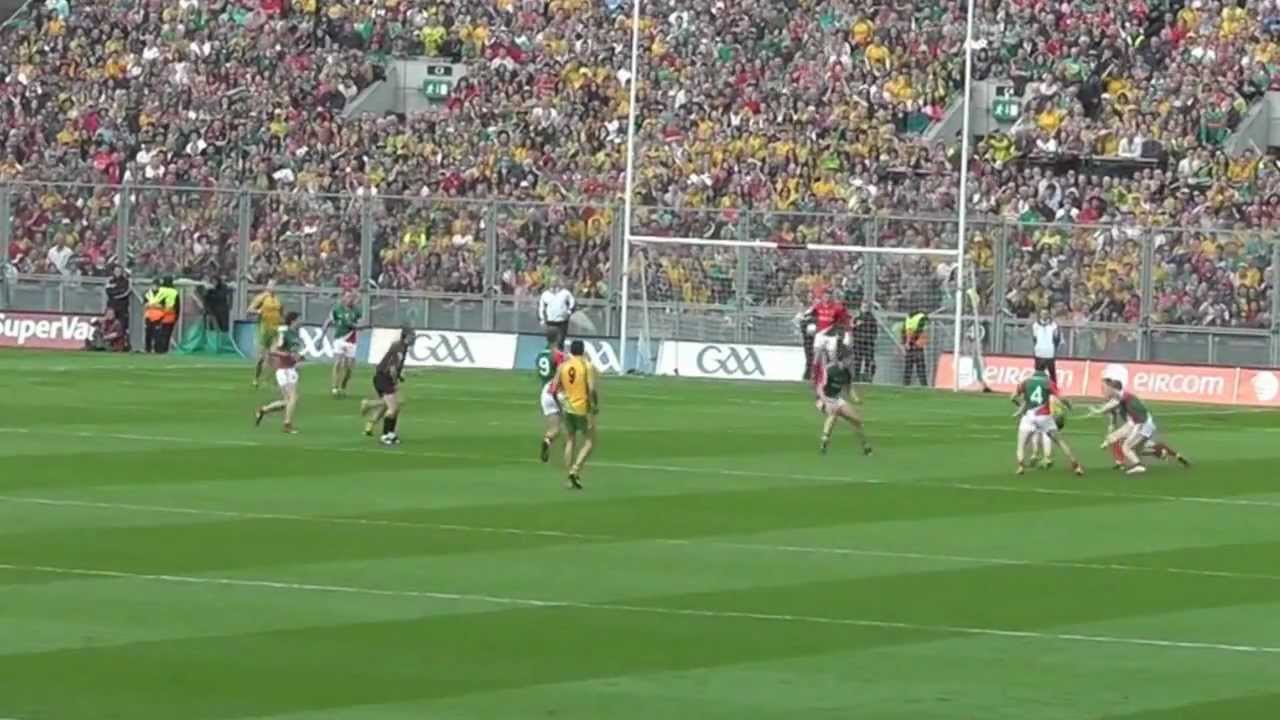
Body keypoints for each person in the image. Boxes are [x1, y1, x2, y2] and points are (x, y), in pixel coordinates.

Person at [1092, 378, 1190, 474]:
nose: (1104, 391)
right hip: (1139, 424)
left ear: (1113, 389)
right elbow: (1112, 410)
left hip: (1140, 424)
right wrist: (1101, 411)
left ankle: (1137, 465)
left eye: (1106, 388)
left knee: (1126, 447)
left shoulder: (1123, 396)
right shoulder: (1119, 398)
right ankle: (1159, 452)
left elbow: (1114, 403)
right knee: (1137, 450)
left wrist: (1100, 410)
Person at [1011, 368, 1084, 476]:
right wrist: (1068, 405)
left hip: (1029, 417)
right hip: (1044, 417)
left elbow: (1012, 397)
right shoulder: (1048, 382)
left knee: (1021, 444)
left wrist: (1021, 407)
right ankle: (1076, 465)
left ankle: (1021, 466)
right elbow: (1061, 397)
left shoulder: (1026, 382)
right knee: (1060, 441)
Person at [556, 339, 598, 490]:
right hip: (582, 407)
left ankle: (569, 477)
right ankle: (575, 470)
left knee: (570, 439)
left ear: (571, 351)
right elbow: (591, 389)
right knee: (589, 441)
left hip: (567, 406)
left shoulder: (563, 366)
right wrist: (595, 405)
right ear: (583, 351)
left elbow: (556, 387)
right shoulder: (587, 365)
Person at [361, 326, 414, 445]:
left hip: (384, 378)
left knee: (395, 407)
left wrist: (399, 376)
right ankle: (385, 435)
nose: (413, 338)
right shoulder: (399, 348)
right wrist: (395, 381)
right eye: (411, 336)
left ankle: (391, 433)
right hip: (384, 378)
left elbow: (396, 367)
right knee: (393, 408)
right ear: (405, 337)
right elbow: (392, 368)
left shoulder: (403, 347)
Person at [818, 343, 872, 456]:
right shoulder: (830, 369)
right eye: (850, 359)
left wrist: (856, 399)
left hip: (837, 399)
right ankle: (824, 440)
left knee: (856, 420)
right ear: (843, 358)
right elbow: (819, 388)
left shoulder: (847, 373)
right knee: (833, 414)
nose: (852, 361)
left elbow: (849, 388)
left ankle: (866, 447)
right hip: (823, 399)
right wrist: (825, 401)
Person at [255, 311, 303, 434]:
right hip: (284, 369)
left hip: (290, 369)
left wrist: (298, 357)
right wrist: (286, 355)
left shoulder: (295, 334)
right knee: (293, 397)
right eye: (299, 319)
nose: (301, 322)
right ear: (293, 321)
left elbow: (293, 352)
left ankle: (263, 410)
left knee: (287, 401)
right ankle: (287, 424)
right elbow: (273, 350)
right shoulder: (285, 334)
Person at [804, 286, 851, 385]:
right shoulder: (818, 306)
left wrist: (846, 333)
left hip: (831, 336)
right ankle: (814, 376)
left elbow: (845, 320)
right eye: (825, 295)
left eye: (829, 295)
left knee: (833, 358)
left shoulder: (837, 308)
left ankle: (830, 373)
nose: (827, 297)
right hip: (820, 335)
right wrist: (809, 322)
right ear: (822, 296)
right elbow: (808, 314)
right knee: (816, 355)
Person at [321, 290, 364, 397]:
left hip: (351, 341)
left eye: (351, 297)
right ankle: (335, 387)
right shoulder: (337, 309)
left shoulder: (356, 310)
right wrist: (322, 336)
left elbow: (362, 322)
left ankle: (343, 385)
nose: (350, 299)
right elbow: (328, 321)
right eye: (348, 297)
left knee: (349, 368)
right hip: (339, 339)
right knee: (338, 363)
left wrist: (356, 326)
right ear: (343, 298)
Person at [536, 328, 567, 462]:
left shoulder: (540, 355)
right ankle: (569, 451)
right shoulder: (558, 355)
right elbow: (562, 374)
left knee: (554, 428)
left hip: (544, 393)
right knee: (572, 423)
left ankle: (547, 441)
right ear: (558, 338)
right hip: (556, 391)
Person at [248, 280, 284, 388]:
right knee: (261, 358)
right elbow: (249, 309)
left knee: (274, 355)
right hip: (264, 330)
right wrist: (257, 311)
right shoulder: (262, 297)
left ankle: (272, 380)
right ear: (267, 286)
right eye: (272, 285)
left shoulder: (278, 299)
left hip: (275, 330)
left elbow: (281, 312)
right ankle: (256, 378)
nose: (273, 287)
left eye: (275, 285)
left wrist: (282, 321)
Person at [539, 277, 576, 349]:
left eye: (555, 281)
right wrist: (542, 319)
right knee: (551, 342)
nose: (554, 283)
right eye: (552, 281)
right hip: (551, 322)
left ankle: (560, 357)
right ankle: (551, 356)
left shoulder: (565, 292)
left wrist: (569, 311)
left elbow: (573, 302)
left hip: (562, 322)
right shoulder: (545, 294)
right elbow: (541, 308)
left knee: (560, 341)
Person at [850, 302, 878, 383]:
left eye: (866, 307)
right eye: (863, 307)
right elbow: (852, 328)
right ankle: (856, 375)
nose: (864, 308)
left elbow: (875, 332)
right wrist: (855, 325)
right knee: (857, 359)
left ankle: (867, 376)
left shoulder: (872, 319)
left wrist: (871, 339)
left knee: (868, 360)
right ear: (861, 307)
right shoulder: (857, 317)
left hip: (868, 343)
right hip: (858, 342)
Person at [1032, 307, 1061, 383]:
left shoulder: (1053, 325)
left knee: (1052, 373)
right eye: (1043, 314)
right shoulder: (1036, 325)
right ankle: (1038, 387)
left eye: (1046, 314)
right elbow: (1034, 338)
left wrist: (1054, 348)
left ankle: (1054, 390)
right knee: (1038, 373)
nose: (1044, 315)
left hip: (1049, 352)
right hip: (1039, 352)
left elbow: (1057, 338)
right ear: (1040, 315)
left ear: (1049, 315)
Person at [902, 309, 929, 386]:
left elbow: (906, 330)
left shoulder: (908, 318)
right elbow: (923, 331)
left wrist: (906, 343)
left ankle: (906, 385)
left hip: (911, 345)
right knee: (920, 369)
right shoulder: (921, 317)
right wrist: (920, 342)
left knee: (908, 369)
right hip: (916, 346)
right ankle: (924, 386)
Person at [154, 276, 180, 354]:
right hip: (170, 315)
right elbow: (177, 306)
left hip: (160, 314)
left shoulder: (161, 290)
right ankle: (165, 349)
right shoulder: (174, 292)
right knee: (167, 334)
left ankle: (158, 349)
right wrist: (177, 316)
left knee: (159, 333)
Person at [105, 265, 131, 335]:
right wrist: (117, 291)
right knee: (110, 324)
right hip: (112, 306)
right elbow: (108, 291)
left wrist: (114, 292)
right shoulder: (110, 281)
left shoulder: (126, 281)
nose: (117, 272)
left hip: (122, 306)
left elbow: (125, 292)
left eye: (119, 271)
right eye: (116, 271)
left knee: (122, 325)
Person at [143, 279, 165, 353]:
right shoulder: (148, 293)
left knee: (157, 334)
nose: (155, 287)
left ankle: (158, 349)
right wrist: (150, 305)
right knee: (148, 333)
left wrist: (154, 305)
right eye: (154, 285)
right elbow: (145, 304)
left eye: (156, 285)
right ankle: (147, 349)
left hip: (158, 317)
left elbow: (164, 306)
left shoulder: (162, 294)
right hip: (149, 316)